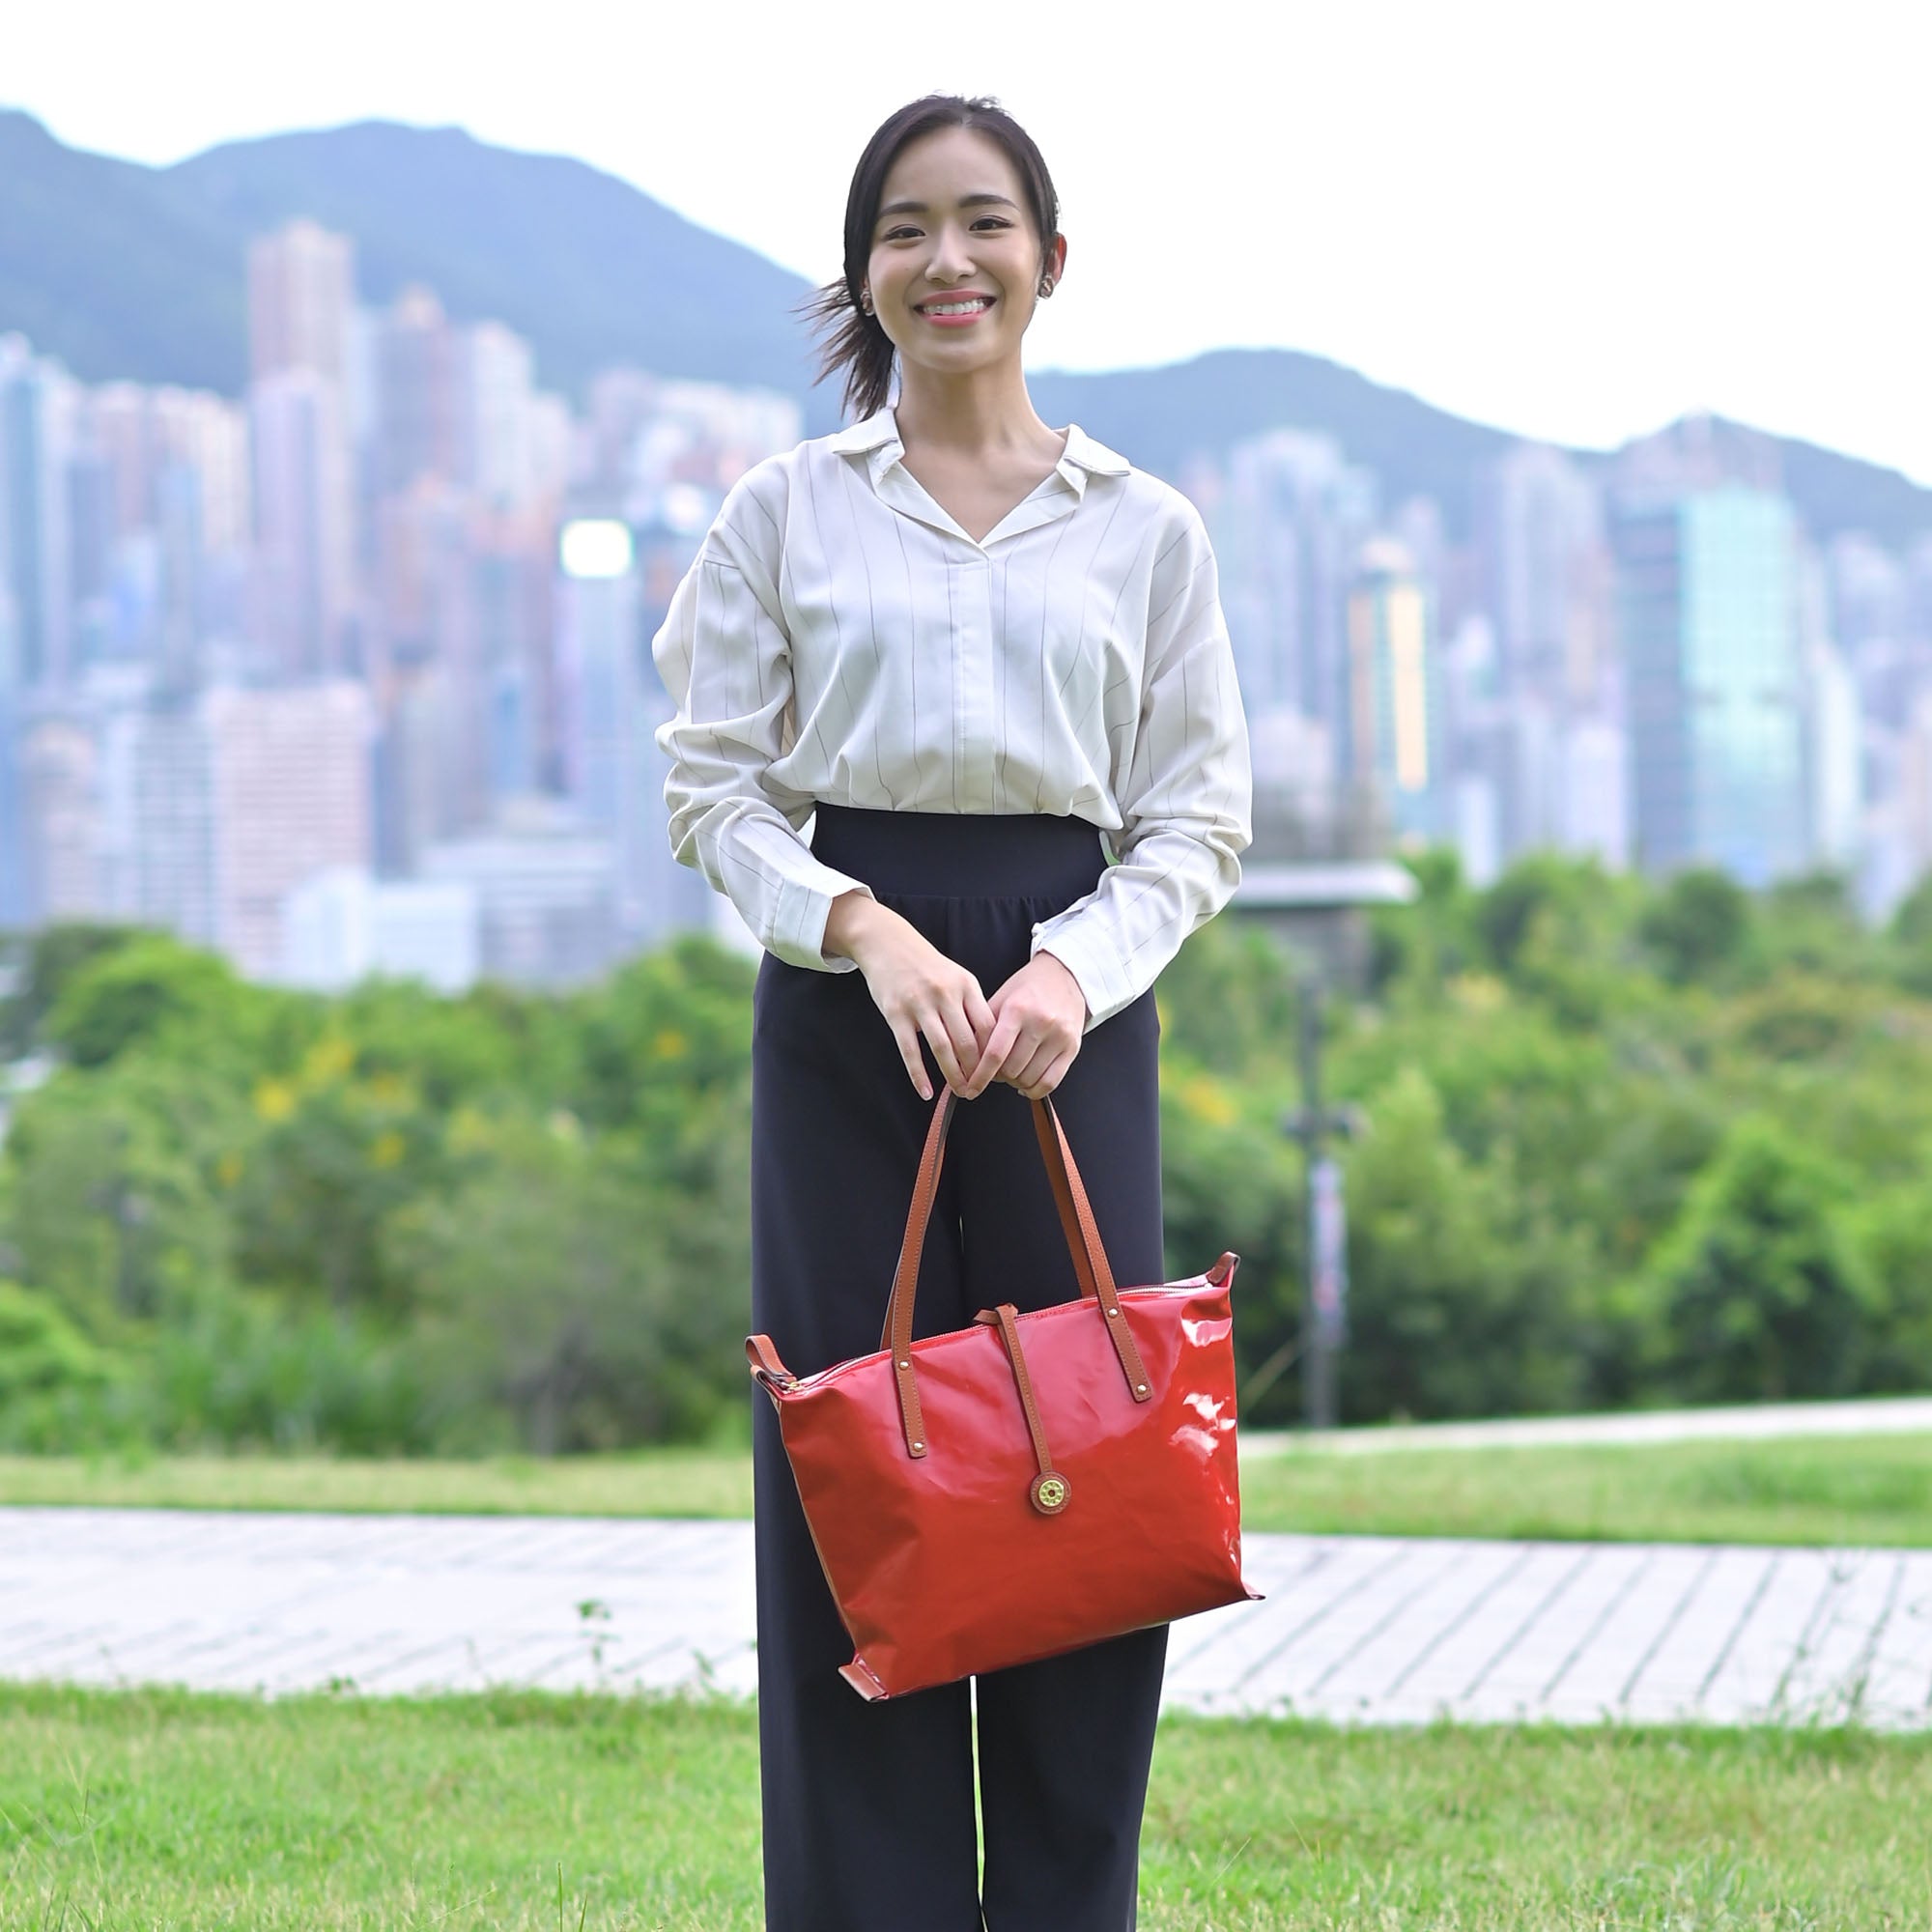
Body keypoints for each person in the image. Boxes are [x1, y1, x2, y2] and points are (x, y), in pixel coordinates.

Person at [651, 92, 1253, 1932]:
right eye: (905, 229)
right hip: (852, 1019)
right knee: (860, 1480)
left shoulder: (1145, 527)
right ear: (866, 274)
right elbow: (710, 789)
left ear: (1048, 261)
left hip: (1079, 1016)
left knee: (1098, 1464)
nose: (947, 259)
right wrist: (863, 927)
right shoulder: (784, 511)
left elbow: (1198, 816)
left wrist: (1072, 965)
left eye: (983, 223)